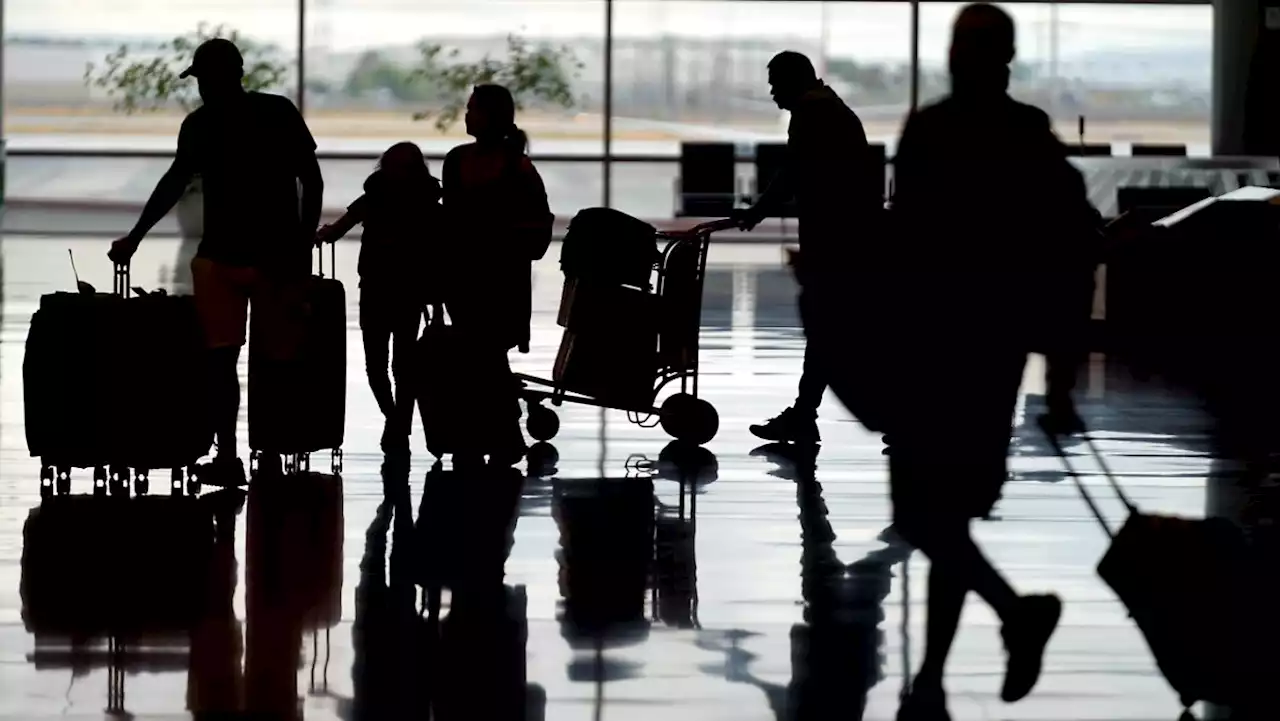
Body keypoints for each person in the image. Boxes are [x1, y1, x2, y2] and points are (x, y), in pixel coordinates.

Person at [836, 5, 1100, 719]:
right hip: (991, 352)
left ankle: (1011, 617)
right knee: (945, 517)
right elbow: (1071, 247)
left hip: (931, 347)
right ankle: (931, 676)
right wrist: (1062, 372)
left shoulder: (932, 129)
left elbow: (905, 238)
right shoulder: (1025, 135)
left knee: (927, 519)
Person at [108, 38, 323, 486]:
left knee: (221, 360)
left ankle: (229, 456)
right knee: (277, 360)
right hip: (274, 257)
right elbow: (312, 178)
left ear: (218, 76)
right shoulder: (277, 112)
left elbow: (174, 181)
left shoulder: (201, 124)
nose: (202, 87)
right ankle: (275, 450)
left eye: (204, 78)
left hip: (221, 257)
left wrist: (136, 236)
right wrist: (300, 243)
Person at [733, 51, 884, 445]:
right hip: (847, 237)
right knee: (836, 331)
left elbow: (792, 172)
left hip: (838, 241)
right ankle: (804, 414)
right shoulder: (829, 110)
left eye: (774, 83)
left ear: (793, 80)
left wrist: (757, 212)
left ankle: (810, 415)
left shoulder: (814, 114)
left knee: (833, 330)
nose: (771, 92)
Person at [439, 84, 553, 466]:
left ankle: (493, 432)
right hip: (496, 276)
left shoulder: (460, 162)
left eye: (473, 109)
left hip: (475, 274)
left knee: (478, 353)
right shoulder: (515, 165)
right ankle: (500, 432)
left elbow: (450, 222)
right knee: (484, 353)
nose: (467, 116)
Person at [317, 141, 443, 453]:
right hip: (410, 292)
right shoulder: (429, 203)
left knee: (378, 365)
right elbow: (441, 254)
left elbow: (335, 231)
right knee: (404, 365)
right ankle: (399, 422)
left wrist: (314, 233)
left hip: (375, 289)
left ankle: (394, 420)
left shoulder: (371, 199)